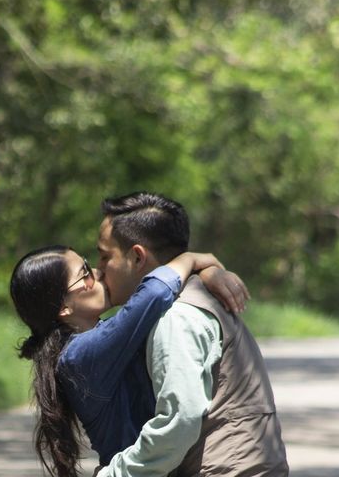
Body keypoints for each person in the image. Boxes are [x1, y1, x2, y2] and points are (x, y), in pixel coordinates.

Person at [94, 191, 289, 477]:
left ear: (137, 257)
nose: (98, 270)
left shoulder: (176, 316)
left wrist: (115, 474)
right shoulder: (196, 295)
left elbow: (179, 422)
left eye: (104, 256)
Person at [10, 245, 247, 477]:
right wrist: (191, 259)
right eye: (84, 273)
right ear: (64, 307)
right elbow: (154, 294)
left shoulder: (87, 348)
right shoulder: (79, 355)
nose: (97, 272)